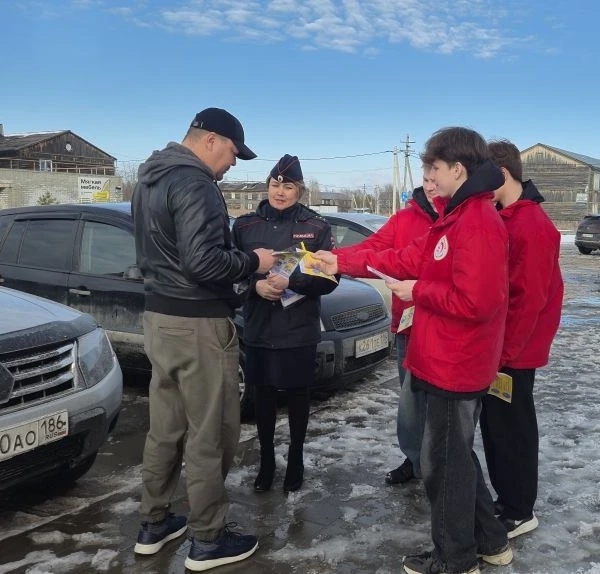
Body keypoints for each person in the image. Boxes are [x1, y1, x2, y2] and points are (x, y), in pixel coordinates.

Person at [312, 127, 513, 574]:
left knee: (443, 465)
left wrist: (418, 291)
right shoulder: (455, 216)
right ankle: (491, 541)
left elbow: (478, 303)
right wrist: (340, 262)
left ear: (457, 169)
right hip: (441, 358)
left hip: (456, 364)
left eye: (433, 168)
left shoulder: (477, 222)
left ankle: (455, 559)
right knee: (455, 458)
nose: (429, 178)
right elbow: (405, 257)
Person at [131, 107, 276, 572]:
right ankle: (209, 539)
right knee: (210, 434)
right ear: (210, 139)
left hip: (159, 319)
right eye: (233, 152)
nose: (232, 163)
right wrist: (254, 262)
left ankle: (154, 524)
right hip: (197, 325)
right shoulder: (196, 182)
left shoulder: (150, 178)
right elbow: (203, 262)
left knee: (165, 429)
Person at [231, 154, 338, 494]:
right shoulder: (244, 226)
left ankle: (295, 460)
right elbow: (230, 273)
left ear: (299, 191)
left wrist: (293, 283)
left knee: (297, 398)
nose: (280, 192)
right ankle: (266, 462)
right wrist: (255, 287)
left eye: (288, 186)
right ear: (267, 186)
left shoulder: (317, 227)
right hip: (259, 329)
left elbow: (331, 280)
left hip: (298, 330)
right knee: (263, 399)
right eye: (275, 185)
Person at [332, 167, 445, 485]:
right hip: (408, 327)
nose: (431, 186)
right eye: (426, 180)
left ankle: (439, 466)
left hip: (444, 326)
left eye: (436, 180)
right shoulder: (404, 219)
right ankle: (414, 459)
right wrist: (331, 259)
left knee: (442, 407)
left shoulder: (456, 220)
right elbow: (373, 248)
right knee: (410, 401)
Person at [481, 140, 564, 539]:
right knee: (496, 428)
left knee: (513, 430)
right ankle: (507, 499)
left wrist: (504, 354)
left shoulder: (531, 224)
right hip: (500, 347)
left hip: (514, 350)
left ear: (501, 174)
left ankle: (519, 509)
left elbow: (529, 299)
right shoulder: (506, 216)